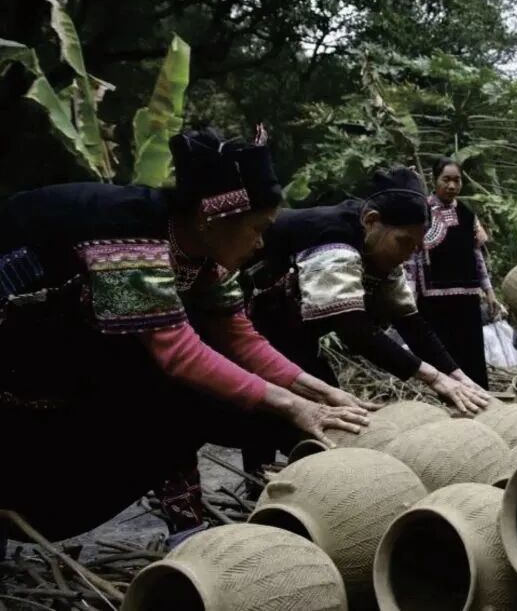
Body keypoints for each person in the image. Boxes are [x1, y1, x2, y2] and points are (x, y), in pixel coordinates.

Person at [0, 126, 370, 540]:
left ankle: (186, 527)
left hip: (62, 336)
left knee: (181, 402)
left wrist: (322, 394)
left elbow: (240, 337)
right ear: (211, 220)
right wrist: (294, 407)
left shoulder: (207, 254)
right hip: (23, 336)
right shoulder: (129, 233)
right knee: (162, 400)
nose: (261, 244)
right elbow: (179, 354)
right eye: (256, 228)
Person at [245, 166, 491, 421]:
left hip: (287, 331)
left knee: (328, 407)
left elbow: (409, 321)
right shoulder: (334, 236)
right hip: (248, 322)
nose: (409, 253)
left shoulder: (380, 246)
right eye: (404, 242)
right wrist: (434, 378)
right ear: (371, 221)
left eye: (416, 247)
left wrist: (457, 376)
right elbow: (353, 328)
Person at [405, 157, 502, 389]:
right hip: (433, 300)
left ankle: (479, 400)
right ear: (434, 180)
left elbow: (477, 256)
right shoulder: (422, 212)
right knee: (442, 358)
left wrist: (489, 292)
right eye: (446, 180)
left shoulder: (467, 214)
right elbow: (412, 258)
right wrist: (410, 295)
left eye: (457, 180)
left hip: (467, 299)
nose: (451, 186)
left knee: (472, 355)